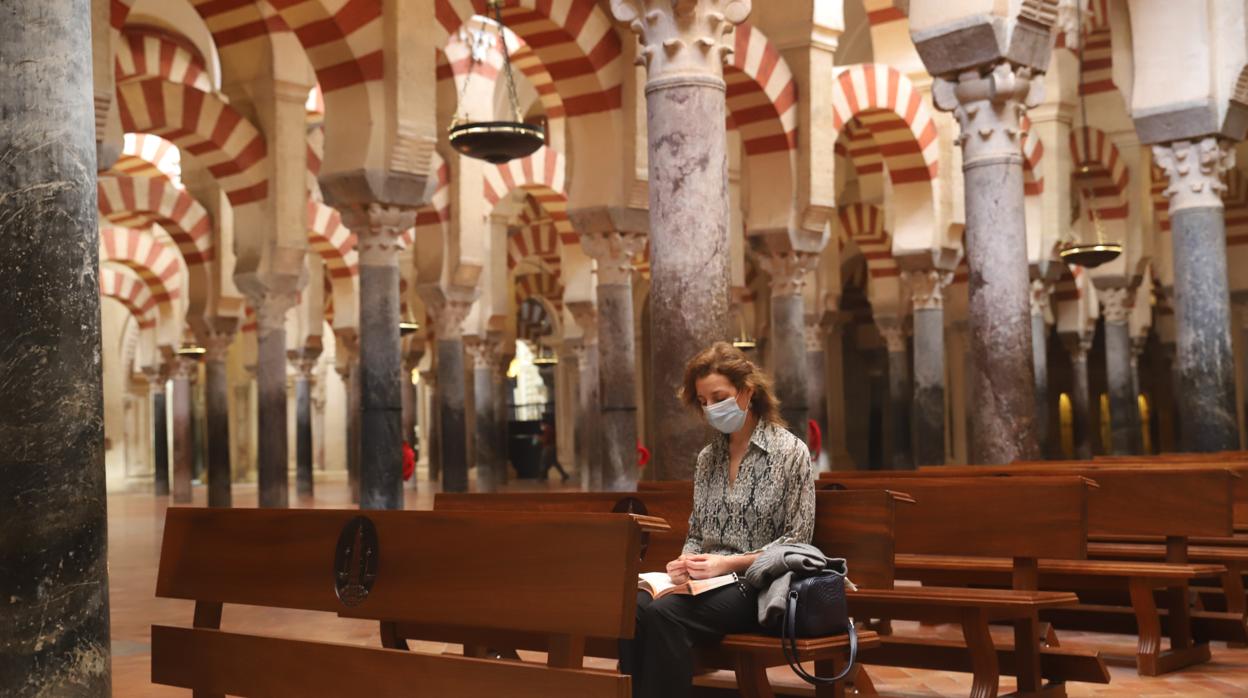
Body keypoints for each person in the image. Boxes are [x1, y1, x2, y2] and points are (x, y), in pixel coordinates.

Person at [619, 342, 815, 698]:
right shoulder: (708, 457)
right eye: (703, 401)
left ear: (747, 392)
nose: (711, 408)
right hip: (704, 581)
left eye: (719, 397)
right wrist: (685, 561)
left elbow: (797, 539)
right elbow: (697, 530)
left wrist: (728, 563)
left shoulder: (791, 452)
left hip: (754, 584)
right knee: (631, 608)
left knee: (665, 615)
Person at [538, 417, 570, 482]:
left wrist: (539, 438)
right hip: (551, 447)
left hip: (548, 448)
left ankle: (541, 478)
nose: (541, 426)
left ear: (543, 423)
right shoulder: (549, 429)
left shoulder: (548, 429)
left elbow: (545, 440)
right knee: (555, 462)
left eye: (541, 424)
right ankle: (564, 474)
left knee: (543, 462)